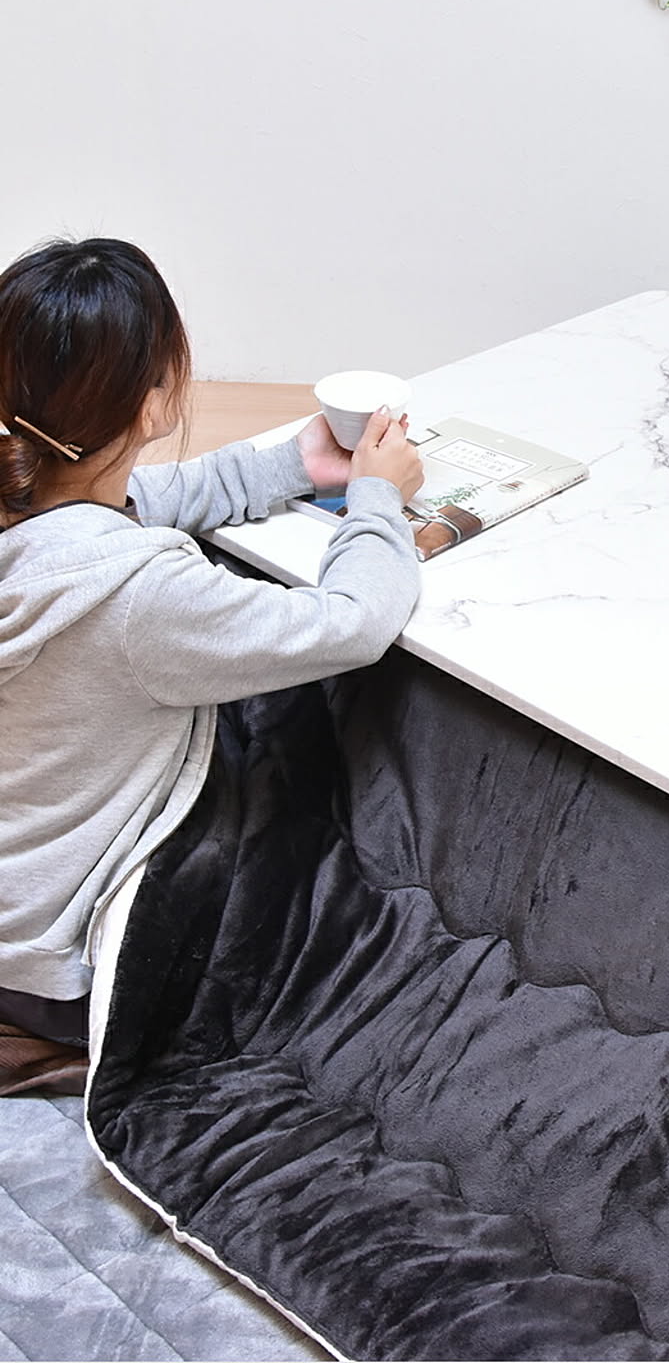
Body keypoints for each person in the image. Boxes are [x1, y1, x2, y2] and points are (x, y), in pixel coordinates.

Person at [0, 237, 425, 1093]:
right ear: (155, 401)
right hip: (49, 968)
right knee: (319, 867)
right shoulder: (141, 596)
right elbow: (352, 624)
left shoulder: (25, 502)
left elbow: (136, 502)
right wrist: (378, 497)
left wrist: (290, 466)